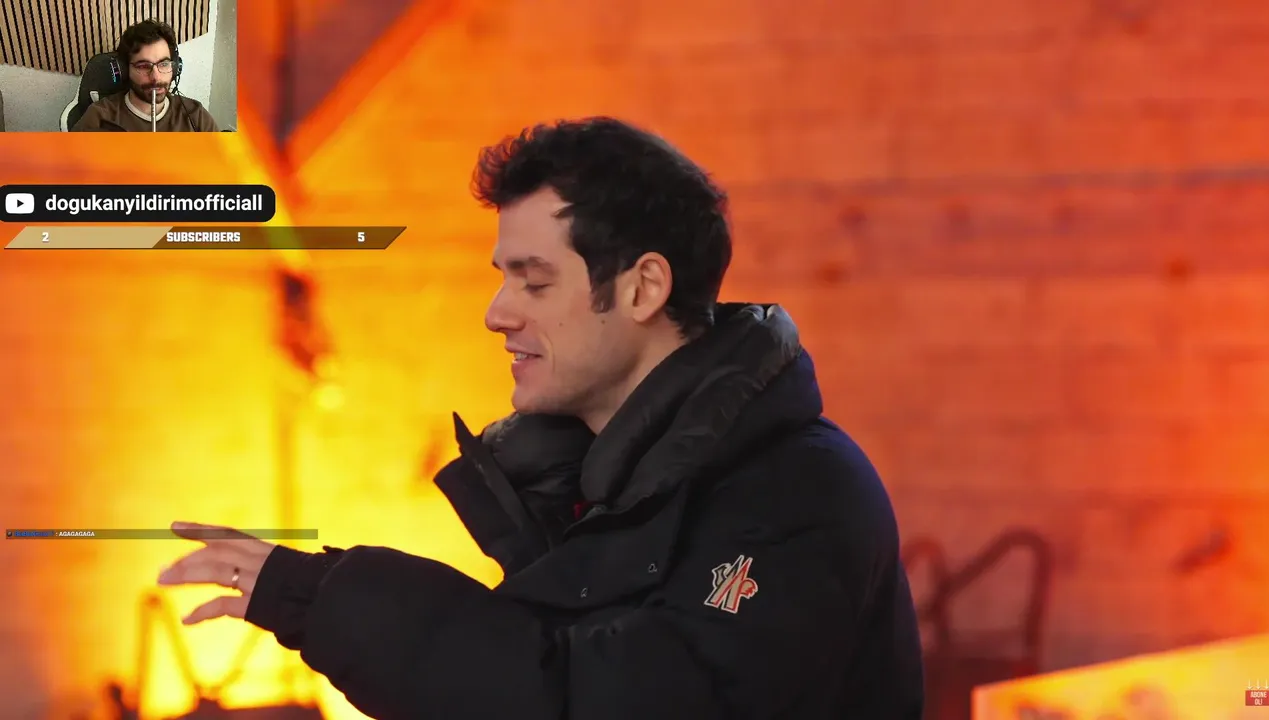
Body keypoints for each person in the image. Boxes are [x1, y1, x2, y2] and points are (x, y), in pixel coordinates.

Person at [157, 117, 925, 718]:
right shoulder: (593, 491)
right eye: (504, 280)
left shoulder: (796, 497)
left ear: (642, 289)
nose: (497, 314)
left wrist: (329, 598)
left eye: (534, 282)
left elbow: (599, 702)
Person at [71, 20, 219, 132]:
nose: (155, 77)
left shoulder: (196, 116)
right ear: (125, 69)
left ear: (175, 68)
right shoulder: (99, 117)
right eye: (143, 66)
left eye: (164, 64)